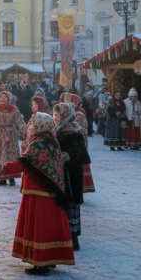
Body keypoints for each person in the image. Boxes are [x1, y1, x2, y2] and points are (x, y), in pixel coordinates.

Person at [0, 113, 75, 275]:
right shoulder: (51, 139)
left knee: (40, 225)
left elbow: (24, 162)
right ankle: (49, 258)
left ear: (40, 126)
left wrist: (1, 168)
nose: (32, 127)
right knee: (49, 224)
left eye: (34, 124)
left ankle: (41, 262)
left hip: (39, 191)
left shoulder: (39, 143)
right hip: (51, 191)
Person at [53, 103, 89, 251]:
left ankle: (73, 239)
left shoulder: (72, 131)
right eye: (54, 115)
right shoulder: (59, 129)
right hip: (62, 172)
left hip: (71, 173)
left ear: (65, 116)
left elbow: (75, 153)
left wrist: (63, 156)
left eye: (57, 115)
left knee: (71, 203)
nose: (54, 118)